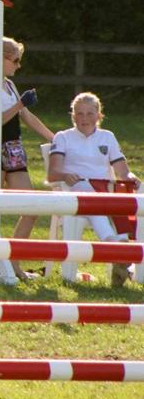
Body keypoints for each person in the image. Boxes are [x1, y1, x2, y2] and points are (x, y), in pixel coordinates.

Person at [0, 36, 55, 280]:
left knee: (30, 209)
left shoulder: (9, 85)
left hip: (14, 149)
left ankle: (13, 264)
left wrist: (57, 139)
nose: (19, 65)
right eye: (15, 60)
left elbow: (27, 118)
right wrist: (19, 104)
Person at [48, 92, 139, 287]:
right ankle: (117, 249)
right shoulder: (63, 137)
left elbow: (123, 172)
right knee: (84, 189)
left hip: (105, 191)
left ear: (99, 115)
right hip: (76, 191)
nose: (84, 119)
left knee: (136, 193)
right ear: (73, 116)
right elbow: (52, 174)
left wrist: (131, 178)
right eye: (79, 114)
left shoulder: (107, 137)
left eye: (90, 113)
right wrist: (65, 176)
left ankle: (122, 258)